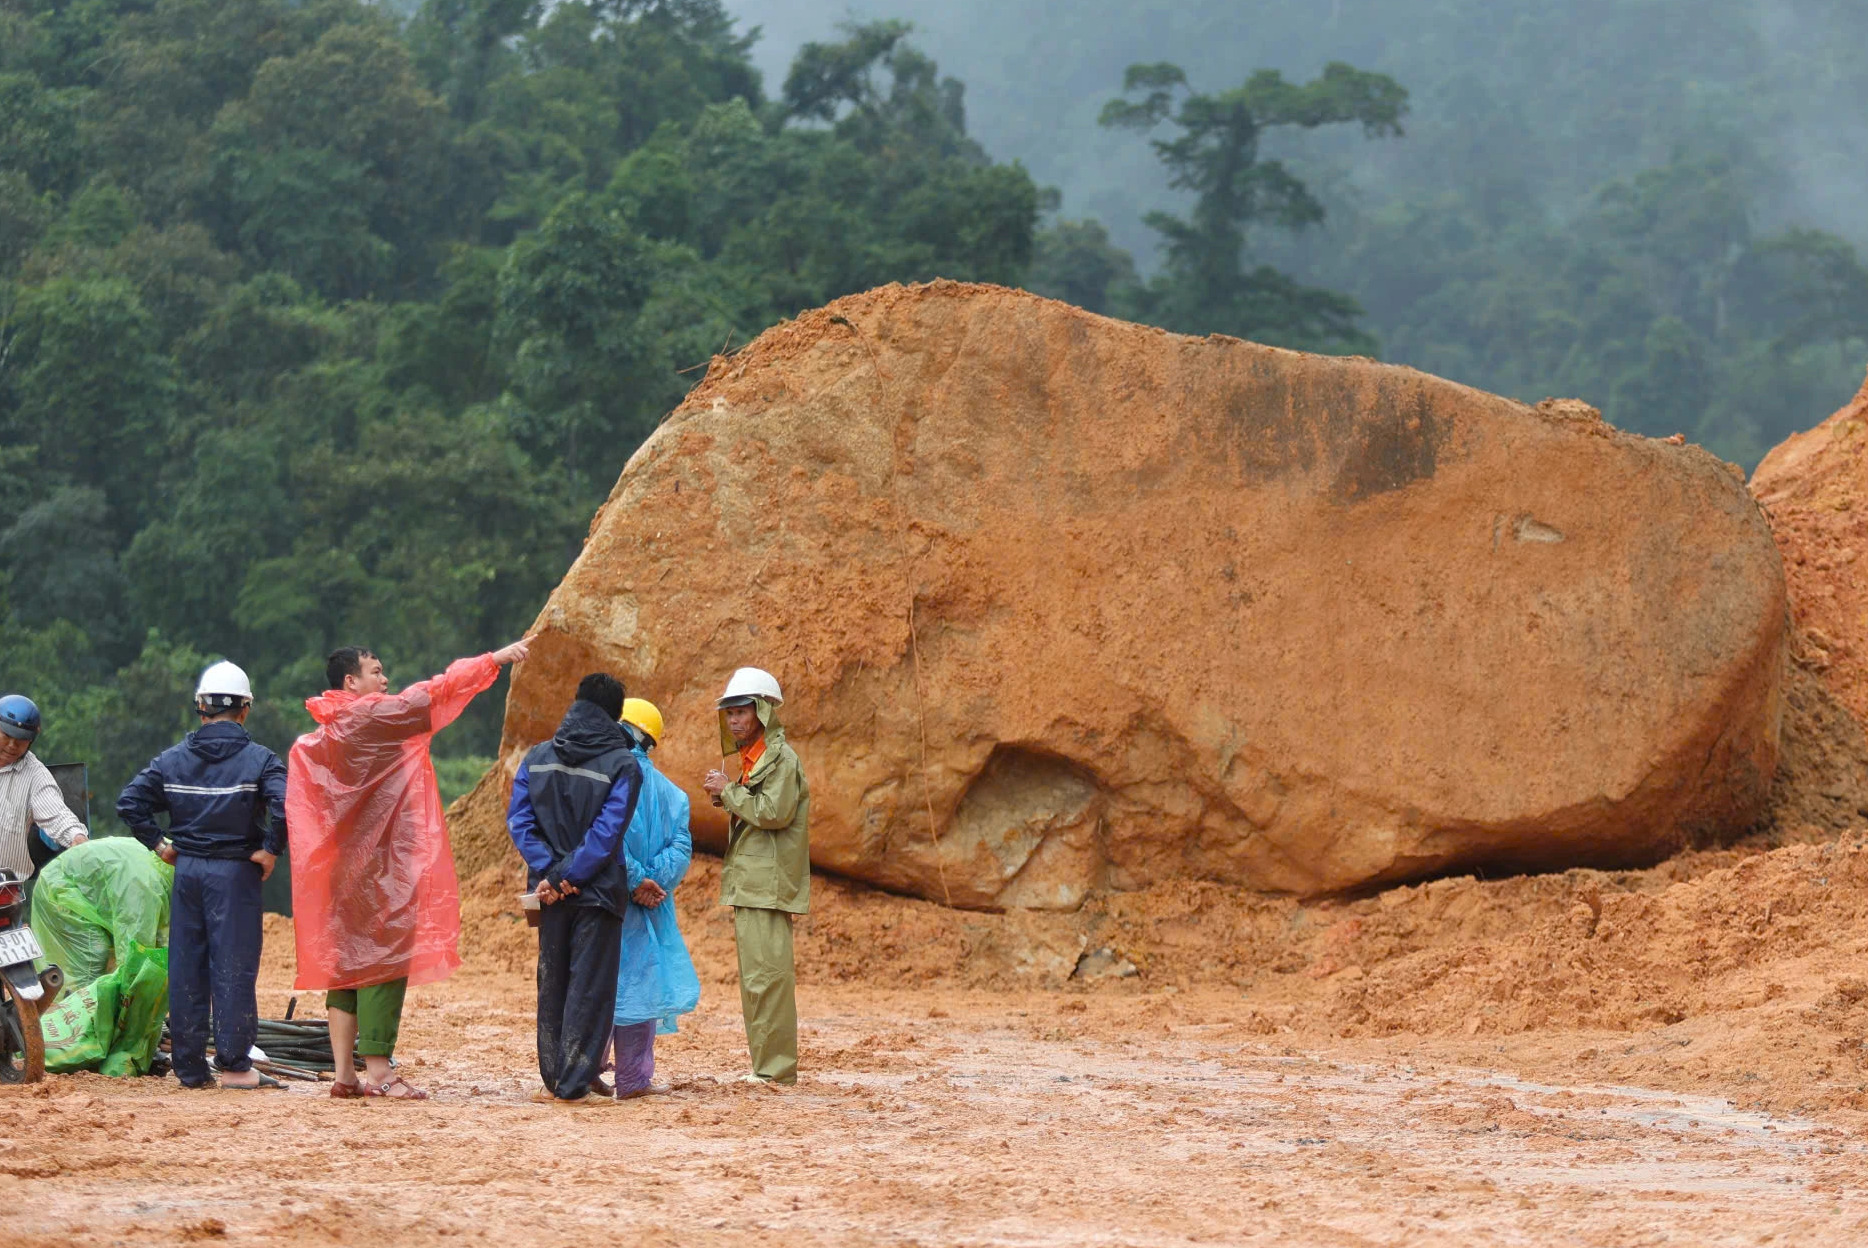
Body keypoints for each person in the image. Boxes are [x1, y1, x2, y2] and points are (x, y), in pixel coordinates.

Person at [289, 639, 529, 1100]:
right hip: (378, 866)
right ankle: (380, 1070)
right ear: (350, 682)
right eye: (375, 671)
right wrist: (491, 660)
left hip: (339, 866)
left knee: (346, 967)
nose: (383, 680)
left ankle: (344, 1075)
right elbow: (430, 695)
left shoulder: (325, 731)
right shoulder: (371, 715)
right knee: (383, 960)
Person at [118, 660, 288, 1090]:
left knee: (188, 966)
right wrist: (270, 851)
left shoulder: (172, 760)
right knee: (232, 967)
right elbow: (290, 805)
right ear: (245, 709)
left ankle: (190, 1069)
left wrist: (161, 844)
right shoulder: (261, 760)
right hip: (236, 874)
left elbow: (130, 802)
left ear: (201, 707)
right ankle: (234, 1066)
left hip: (188, 872)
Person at [506, 673, 644, 1103]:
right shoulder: (624, 764)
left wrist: (551, 872)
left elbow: (520, 821)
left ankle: (554, 1078)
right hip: (598, 891)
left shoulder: (538, 757)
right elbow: (608, 832)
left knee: (553, 981)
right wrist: (571, 874)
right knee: (590, 984)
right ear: (615, 716)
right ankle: (574, 1081)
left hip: (548, 892)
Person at [701, 667, 809, 1086]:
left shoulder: (780, 758)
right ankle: (766, 1067)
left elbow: (775, 812)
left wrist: (728, 792)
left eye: (742, 712)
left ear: (763, 712)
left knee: (770, 981)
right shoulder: (757, 758)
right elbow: (756, 806)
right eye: (730, 714)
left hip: (768, 886)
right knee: (756, 981)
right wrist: (727, 793)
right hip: (752, 884)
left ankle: (775, 1071)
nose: (734, 721)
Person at [608, 697, 699, 1099]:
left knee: (599, 986)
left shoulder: (605, 779)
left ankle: (587, 1073)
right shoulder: (675, 796)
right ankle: (632, 1080)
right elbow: (681, 849)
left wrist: (633, 880)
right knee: (641, 990)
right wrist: (650, 884)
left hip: (609, 901)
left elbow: (604, 841)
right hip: (652, 908)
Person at [0, 694, 89, 882]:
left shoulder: (35, 775)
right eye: (6, 736)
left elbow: (56, 814)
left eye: (20, 740)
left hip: (5, 891)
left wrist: (77, 836)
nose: (11, 745)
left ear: (31, 741)